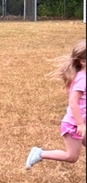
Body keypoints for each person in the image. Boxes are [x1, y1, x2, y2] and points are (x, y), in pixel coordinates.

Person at [26, 39, 86, 169]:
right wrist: (80, 124)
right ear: (83, 61)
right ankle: (40, 153)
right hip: (74, 124)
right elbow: (73, 102)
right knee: (71, 157)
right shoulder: (82, 79)